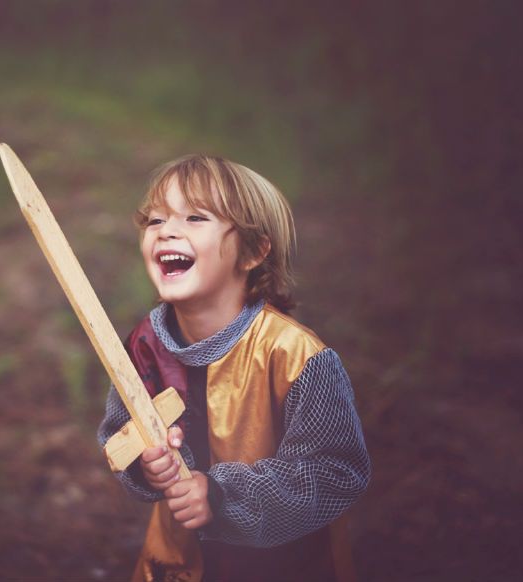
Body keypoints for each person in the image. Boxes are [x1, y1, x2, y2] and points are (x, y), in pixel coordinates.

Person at [97, 155, 371, 582]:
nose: (167, 230)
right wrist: (149, 467)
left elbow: (334, 472)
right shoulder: (143, 348)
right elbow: (120, 435)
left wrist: (222, 496)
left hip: (281, 568)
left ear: (252, 251)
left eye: (194, 218)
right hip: (178, 564)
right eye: (154, 220)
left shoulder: (296, 356)